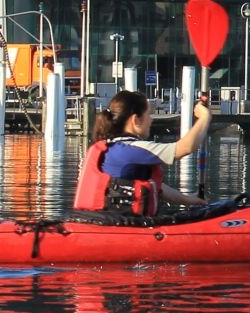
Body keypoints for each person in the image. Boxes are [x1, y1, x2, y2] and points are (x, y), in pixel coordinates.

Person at [73, 88, 212, 217]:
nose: (151, 120)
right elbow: (186, 147)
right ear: (136, 120)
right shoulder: (132, 149)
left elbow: (158, 188)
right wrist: (204, 117)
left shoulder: (113, 146)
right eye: (148, 114)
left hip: (100, 222)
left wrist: (191, 200)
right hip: (119, 228)